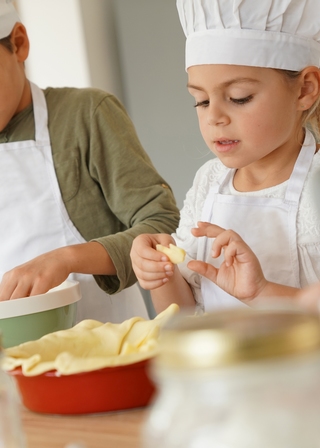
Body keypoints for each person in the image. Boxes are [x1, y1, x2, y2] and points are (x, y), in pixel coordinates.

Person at [130, 0, 320, 314]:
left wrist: (261, 292)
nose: (214, 117)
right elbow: (187, 318)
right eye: (201, 101)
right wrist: (160, 271)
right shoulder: (209, 181)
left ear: (304, 90)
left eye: (238, 98)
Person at [0, 0, 180, 322]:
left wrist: (67, 258)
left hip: (107, 347)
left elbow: (164, 227)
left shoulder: (86, 115)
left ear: (19, 43)